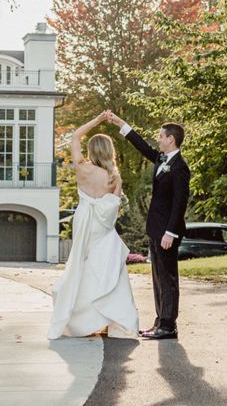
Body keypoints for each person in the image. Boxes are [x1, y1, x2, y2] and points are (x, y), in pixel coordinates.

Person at [48, 111, 139, 340]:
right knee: (108, 269)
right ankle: (110, 319)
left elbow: (75, 136)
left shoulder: (81, 167)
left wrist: (98, 120)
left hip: (83, 221)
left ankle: (82, 320)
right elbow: (113, 208)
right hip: (102, 227)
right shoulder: (113, 177)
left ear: (91, 151)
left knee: (82, 266)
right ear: (110, 152)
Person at [105, 111, 190, 340]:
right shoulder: (162, 160)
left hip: (167, 233)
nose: (159, 139)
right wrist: (122, 124)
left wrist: (170, 232)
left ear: (171, 139)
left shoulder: (180, 167)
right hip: (155, 229)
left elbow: (179, 203)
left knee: (168, 279)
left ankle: (168, 326)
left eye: (161, 136)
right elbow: (142, 146)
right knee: (158, 279)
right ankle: (159, 322)